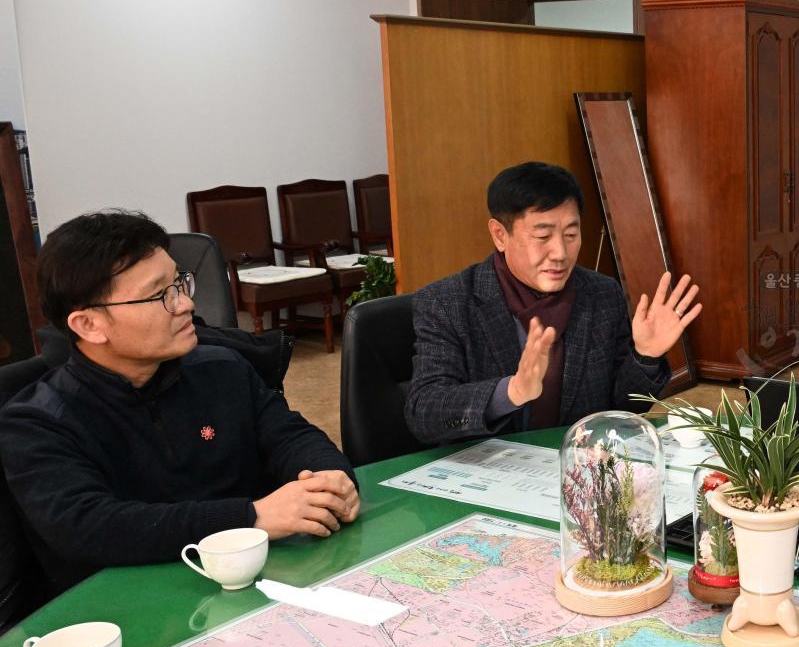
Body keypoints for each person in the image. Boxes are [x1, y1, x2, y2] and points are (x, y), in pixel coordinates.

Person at [0, 211, 358, 591]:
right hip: (134, 605)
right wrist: (250, 516)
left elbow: (290, 435)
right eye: (160, 296)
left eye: (179, 283)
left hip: (257, 578)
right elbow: (89, 526)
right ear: (89, 325)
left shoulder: (221, 367)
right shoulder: (36, 422)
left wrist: (327, 477)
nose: (185, 304)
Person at [405, 162, 701, 445]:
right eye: (543, 236)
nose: (560, 252)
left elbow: (622, 409)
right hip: (489, 475)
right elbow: (424, 411)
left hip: (577, 471)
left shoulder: (601, 295)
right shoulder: (448, 302)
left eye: (571, 235)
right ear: (500, 235)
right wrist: (512, 391)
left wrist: (645, 357)